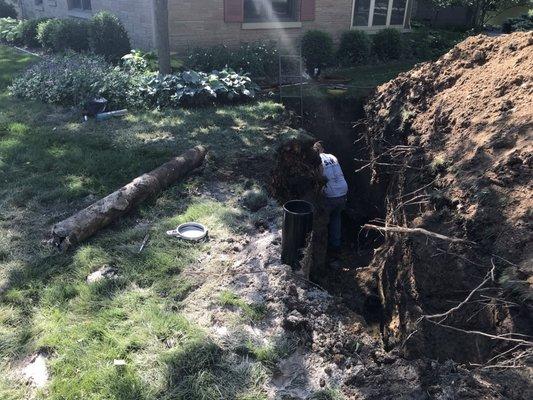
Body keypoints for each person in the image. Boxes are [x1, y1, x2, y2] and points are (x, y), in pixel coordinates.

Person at [314, 141, 348, 256]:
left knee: (322, 221)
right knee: (336, 217)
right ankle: (336, 246)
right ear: (322, 149)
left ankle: (323, 251)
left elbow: (320, 178)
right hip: (343, 190)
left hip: (331, 194)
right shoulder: (332, 157)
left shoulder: (317, 160)